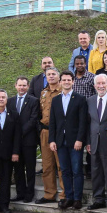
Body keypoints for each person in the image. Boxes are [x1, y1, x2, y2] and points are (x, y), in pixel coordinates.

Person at [49, 71, 88, 210]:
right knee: (65, 170)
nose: (66, 82)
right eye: (64, 80)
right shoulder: (56, 100)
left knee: (77, 170)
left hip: (75, 141)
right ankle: (69, 197)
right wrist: (52, 140)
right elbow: (52, 122)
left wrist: (80, 139)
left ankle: (77, 198)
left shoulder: (80, 99)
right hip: (60, 141)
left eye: (68, 80)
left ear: (73, 82)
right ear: (60, 82)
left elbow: (83, 122)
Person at [86, 74, 107, 211]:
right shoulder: (90, 100)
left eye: (103, 83)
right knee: (96, 171)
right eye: (98, 83)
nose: (101, 86)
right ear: (94, 86)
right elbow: (87, 123)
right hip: (93, 142)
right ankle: (98, 199)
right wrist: (88, 141)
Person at [7, 77, 40, 204]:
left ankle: (29, 194)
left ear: (28, 87)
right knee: (18, 168)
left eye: (24, 85)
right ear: (15, 86)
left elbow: (33, 119)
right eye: (19, 85)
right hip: (14, 142)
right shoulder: (10, 101)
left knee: (30, 169)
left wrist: (20, 133)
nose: (22, 87)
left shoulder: (34, 101)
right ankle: (20, 193)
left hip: (29, 140)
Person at [36, 67, 65, 204]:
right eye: (48, 74)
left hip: (59, 132)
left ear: (58, 77)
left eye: (54, 74)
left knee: (61, 164)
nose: (51, 76)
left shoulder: (63, 92)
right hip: (45, 131)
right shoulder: (43, 92)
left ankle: (64, 195)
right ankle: (49, 194)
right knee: (47, 165)